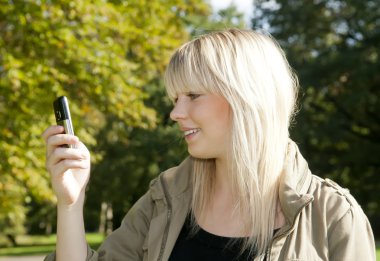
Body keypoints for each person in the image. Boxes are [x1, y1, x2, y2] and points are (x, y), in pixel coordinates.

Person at [43, 29, 376, 261]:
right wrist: (70, 204)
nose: (175, 113)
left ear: (246, 97)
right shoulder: (165, 199)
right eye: (175, 98)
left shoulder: (332, 215)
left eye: (192, 96)